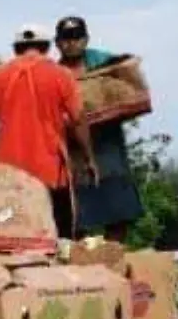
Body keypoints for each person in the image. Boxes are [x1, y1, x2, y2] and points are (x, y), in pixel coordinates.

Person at [0, 23, 96, 236]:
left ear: (16, 49)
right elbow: (78, 119)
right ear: (47, 47)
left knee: (10, 233)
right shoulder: (61, 75)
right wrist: (89, 158)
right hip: (49, 172)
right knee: (57, 236)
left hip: (7, 174)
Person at [53, 15, 146, 242]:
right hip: (72, 148)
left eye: (76, 38)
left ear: (85, 39)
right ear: (58, 43)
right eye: (66, 39)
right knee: (76, 212)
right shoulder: (55, 73)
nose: (71, 43)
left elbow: (129, 75)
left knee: (118, 208)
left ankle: (114, 256)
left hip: (108, 142)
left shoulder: (102, 61)